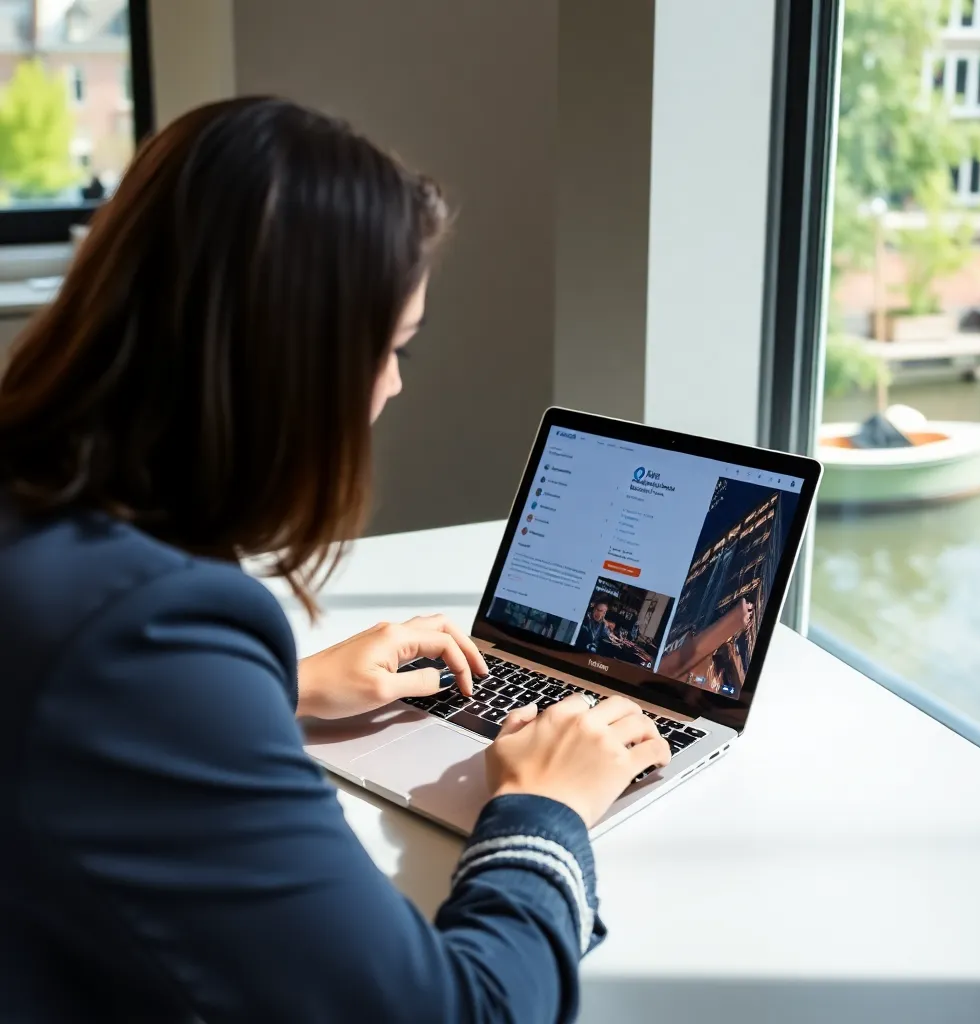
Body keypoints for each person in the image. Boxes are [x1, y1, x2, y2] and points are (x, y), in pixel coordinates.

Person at [0, 98, 670, 1023]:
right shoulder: (145, 634)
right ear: (289, 366)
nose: (391, 387)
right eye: (391, 350)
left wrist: (283, 691)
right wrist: (544, 811)